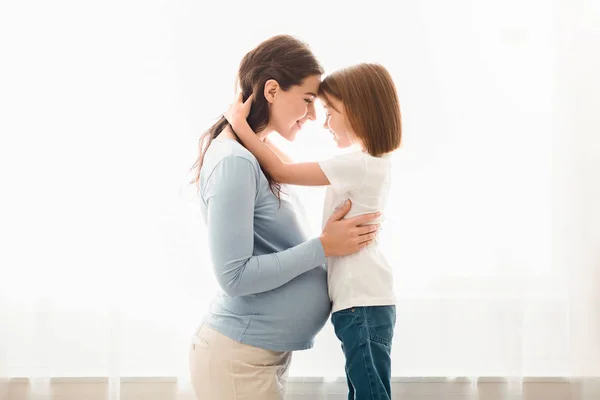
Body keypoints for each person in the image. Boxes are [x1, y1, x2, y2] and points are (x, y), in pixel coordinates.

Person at [189, 35, 381, 400]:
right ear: (272, 90)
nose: (312, 116)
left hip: (256, 356)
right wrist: (323, 247)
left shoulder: (252, 155)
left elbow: (285, 170)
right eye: (308, 100)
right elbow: (235, 276)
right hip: (238, 359)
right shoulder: (234, 163)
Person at [225, 62, 402, 400]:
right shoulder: (367, 162)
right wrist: (257, 137)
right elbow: (286, 163)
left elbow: (280, 170)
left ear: (358, 112)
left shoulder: (359, 164)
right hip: (364, 302)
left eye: (330, 112)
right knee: (366, 389)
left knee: (369, 393)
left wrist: (241, 127)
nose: (324, 122)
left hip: (361, 304)